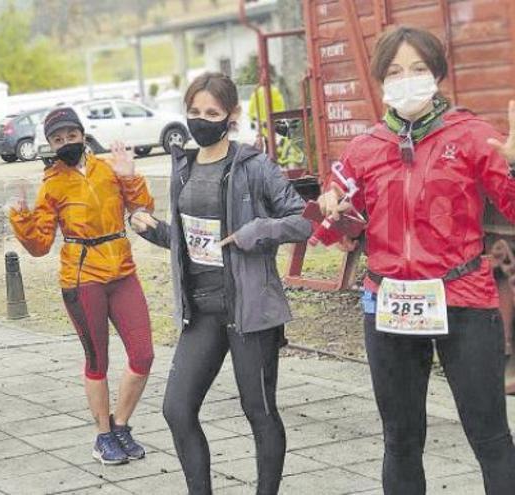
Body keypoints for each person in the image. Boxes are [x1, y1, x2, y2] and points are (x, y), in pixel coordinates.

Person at [316, 26, 515, 494]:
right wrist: (333, 211)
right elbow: (330, 230)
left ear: (438, 75)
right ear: (382, 81)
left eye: (419, 69)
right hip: (389, 305)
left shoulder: (471, 135)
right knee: (401, 441)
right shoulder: (365, 146)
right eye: (395, 71)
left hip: (463, 298)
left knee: (490, 436)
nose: (408, 80)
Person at [130, 72, 312, 495]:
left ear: (231, 116)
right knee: (177, 409)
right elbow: (190, 240)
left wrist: (254, 232)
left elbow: (303, 220)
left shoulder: (254, 165)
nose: (201, 120)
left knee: (259, 412)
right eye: (194, 112)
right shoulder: (184, 167)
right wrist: (154, 229)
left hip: (250, 312)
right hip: (201, 311)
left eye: (211, 113)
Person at [8, 107, 156, 465]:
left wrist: (131, 176)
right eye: (57, 139)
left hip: (122, 271)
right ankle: (103, 436)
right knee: (98, 360)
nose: (66, 143)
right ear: (50, 145)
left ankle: (120, 425)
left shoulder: (108, 168)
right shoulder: (52, 184)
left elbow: (145, 211)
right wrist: (22, 218)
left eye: (70, 136)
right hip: (82, 279)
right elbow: (41, 245)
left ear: (82, 135)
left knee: (143, 354)